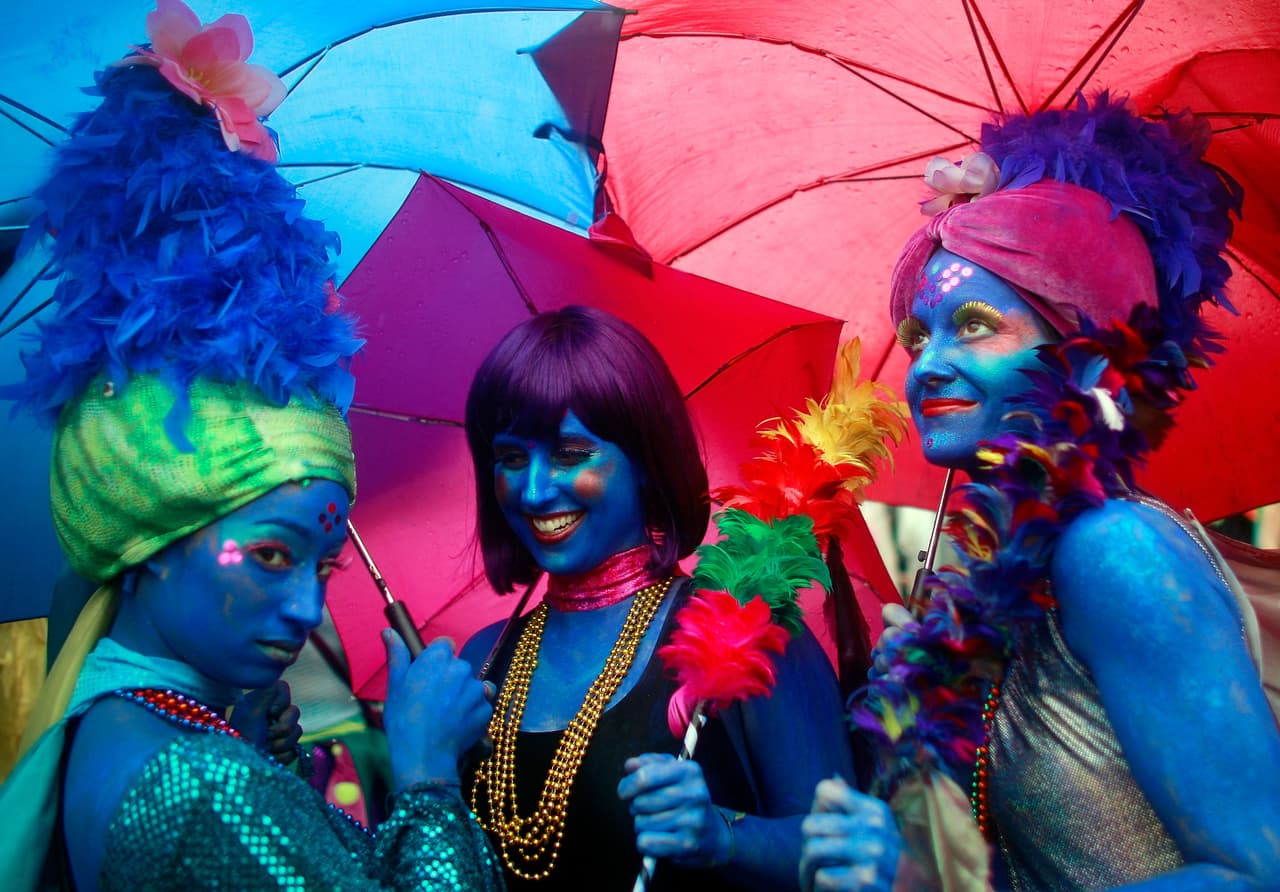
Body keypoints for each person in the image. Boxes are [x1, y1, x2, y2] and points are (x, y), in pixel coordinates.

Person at [0, 3, 501, 889]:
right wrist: (427, 773)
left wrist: (251, 750)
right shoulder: (202, 787)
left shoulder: (143, 728)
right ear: (153, 537)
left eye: (322, 566)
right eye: (270, 554)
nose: (308, 610)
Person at [801, 95, 1280, 890]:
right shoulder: (997, 584)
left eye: (975, 325)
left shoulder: (1115, 550)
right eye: (919, 336)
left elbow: (1258, 874)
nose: (927, 368)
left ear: (1091, 362)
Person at [458, 306, 882, 890]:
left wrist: (722, 837)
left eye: (569, 454)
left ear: (645, 462)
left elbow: (848, 859)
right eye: (510, 458)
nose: (532, 492)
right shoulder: (479, 663)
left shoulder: (744, 627)